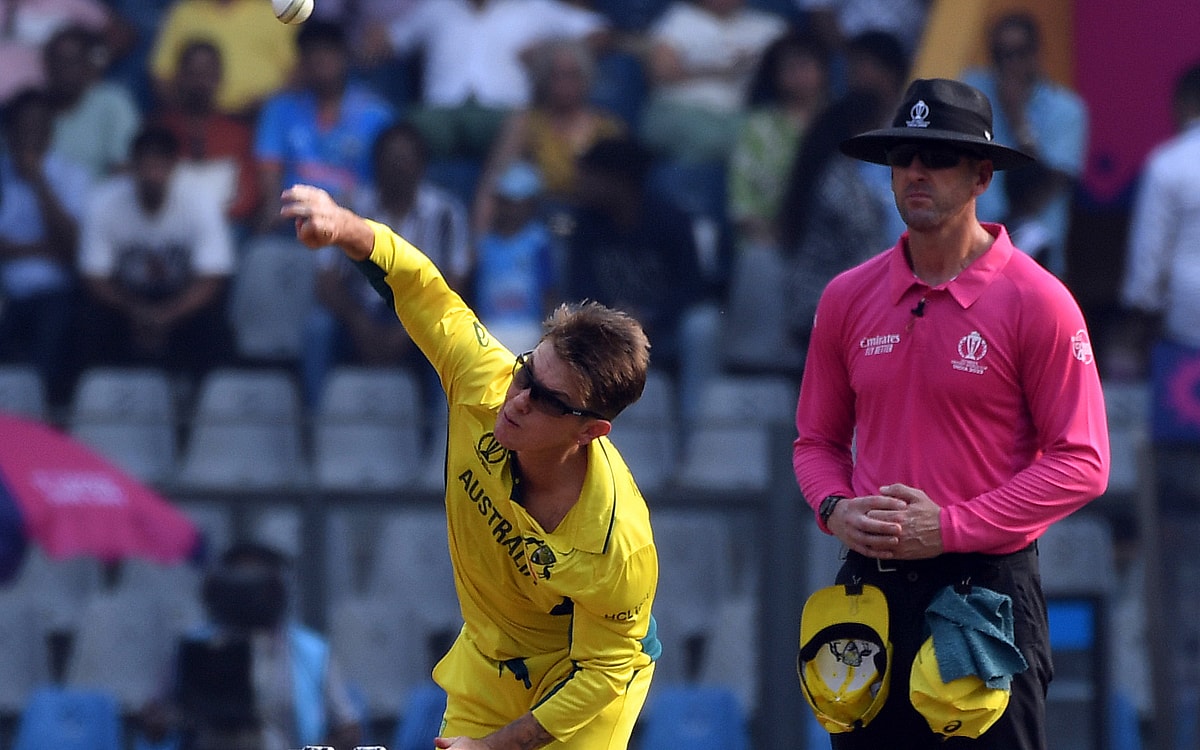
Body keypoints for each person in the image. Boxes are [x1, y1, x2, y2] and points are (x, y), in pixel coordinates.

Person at [280, 178, 660, 749]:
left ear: (591, 430)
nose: (519, 398)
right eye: (529, 371)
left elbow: (604, 672)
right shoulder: (488, 379)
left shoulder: (619, 543)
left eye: (548, 401)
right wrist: (349, 229)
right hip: (490, 661)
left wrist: (493, 747)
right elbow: (424, 291)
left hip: (581, 690)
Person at [792, 78, 1110, 750]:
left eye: (936, 158)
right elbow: (815, 442)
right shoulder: (848, 297)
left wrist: (951, 526)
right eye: (903, 157)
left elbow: (1083, 463)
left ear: (981, 176)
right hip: (868, 593)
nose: (914, 172)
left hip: (981, 594)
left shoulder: (1038, 301)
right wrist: (834, 510)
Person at [1117, 60, 1200, 739]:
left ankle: (1174, 712)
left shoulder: (1172, 164)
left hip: (1183, 366)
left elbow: (1146, 278)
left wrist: (1138, 335)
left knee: (1173, 543)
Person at [561, 136, 721, 438]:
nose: (582, 183)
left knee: (704, 324)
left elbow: (692, 287)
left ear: (618, 181)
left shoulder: (671, 220)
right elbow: (579, 284)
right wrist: (615, 316)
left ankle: (695, 434)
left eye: (591, 175)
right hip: (607, 326)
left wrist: (653, 316)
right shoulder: (585, 224)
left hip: (663, 325)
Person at [301, 121, 468, 409]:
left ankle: (441, 436)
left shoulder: (446, 212)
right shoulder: (348, 208)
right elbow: (325, 280)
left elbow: (455, 282)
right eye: (389, 159)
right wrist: (358, 322)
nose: (397, 167)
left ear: (421, 164)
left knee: (452, 337)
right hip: (360, 312)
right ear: (376, 163)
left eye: (405, 158)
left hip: (423, 316)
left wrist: (408, 330)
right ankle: (313, 423)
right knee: (318, 328)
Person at [141, 541, 362, 750]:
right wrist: (165, 719)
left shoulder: (310, 650)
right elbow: (155, 721)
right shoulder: (197, 646)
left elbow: (348, 729)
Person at [76, 125, 236, 383]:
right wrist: (135, 311)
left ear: (174, 166)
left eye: (160, 163)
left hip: (180, 299)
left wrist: (166, 315)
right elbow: (94, 277)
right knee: (87, 322)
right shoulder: (103, 202)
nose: (152, 173)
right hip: (125, 300)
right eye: (145, 163)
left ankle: (199, 412)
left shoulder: (201, 201)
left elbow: (212, 278)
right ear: (132, 166)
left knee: (214, 325)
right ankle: (94, 404)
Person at [364, 0, 612, 161]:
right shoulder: (437, 7)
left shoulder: (533, 8)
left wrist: (548, 50)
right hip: (440, 114)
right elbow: (387, 42)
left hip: (502, 115)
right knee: (398, 136)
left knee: (525, 132)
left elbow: (600, 33)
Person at [961, 11, 1088, 279]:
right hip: (971, 257)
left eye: (1019, 53)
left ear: (1035, 54)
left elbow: (1047, 185)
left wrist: (1018, 120)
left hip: (1035, 258)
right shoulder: (973, 94)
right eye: (1001, 55)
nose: (1010, 64)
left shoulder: (1066, 110)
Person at [471, 38, 626, 238]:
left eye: (571, 75)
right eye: (556, 76)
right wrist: (479, 243)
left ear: (585, 78)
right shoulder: (526, 124)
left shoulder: (608, 128)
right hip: (541, 224)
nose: (563, 84)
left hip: (595, 226)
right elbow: (493, 184)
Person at [253, 19, 395, 234]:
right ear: (302, 61)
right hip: (294, 222)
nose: (320, 59)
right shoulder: (280, 108)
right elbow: (270, 168)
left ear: (345, 56)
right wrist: (273, 207)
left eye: (328, 51)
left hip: (357, 222)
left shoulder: (377, 114)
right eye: (312, 53)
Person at [0, 88, 92, 406]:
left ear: (50, 133)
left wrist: (39, 182)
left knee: (51, 335)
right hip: (4, 294)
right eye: (22, 127)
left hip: (54, 295)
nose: (30, 136)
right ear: (7, 133)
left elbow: (72, 248)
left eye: (38, 127)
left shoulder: (73, 177)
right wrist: (41, 249)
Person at [639, 0, 788, 165]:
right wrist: (721, 71)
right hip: (678, 110)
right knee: (713, 139)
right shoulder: (681, 18)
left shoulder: (769, 26)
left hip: (736, 116)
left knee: (770, 140)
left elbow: (796, 64)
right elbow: (661, 71)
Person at [728, 28, 831, 255]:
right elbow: (742, 198)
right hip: (765, 239)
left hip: (827, 243)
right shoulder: (758, 126)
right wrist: (766, 235)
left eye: (804, 64)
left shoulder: (839, 124)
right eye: (788, 67)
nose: (797, 73)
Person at [153, 39, 260, 231]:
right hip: (168, 227)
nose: (199, 82)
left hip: (227, 226)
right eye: (193, 74)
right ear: (179, 77)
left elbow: (248, 196)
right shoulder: (160, 129)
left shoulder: (238, 133)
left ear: (219, 78)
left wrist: (212, 221)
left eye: (207, 74)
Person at [149, 0, 299, 118]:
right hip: (200, 119)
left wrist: (267, 105)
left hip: (261, 118)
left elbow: (296, 72)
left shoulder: (272, 14)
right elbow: (162, 74)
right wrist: (185, 114)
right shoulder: (185, 12)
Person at [473, 160, 559, 354]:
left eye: (518, 203)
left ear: (531, 205)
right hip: (489, 328)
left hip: (528, 328)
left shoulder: (539, 241)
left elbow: (548, 291)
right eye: (506, 203)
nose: (511, 210)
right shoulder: (484, 243)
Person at [43, 23, 141, 179]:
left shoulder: (113, 103)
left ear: (87, 66)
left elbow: (125, 170)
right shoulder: (34, 110)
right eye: (59, 61)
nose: (65, 71)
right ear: (47, 66)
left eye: (72, 62)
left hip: (100, 200)